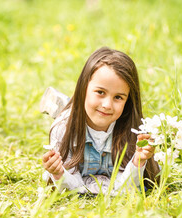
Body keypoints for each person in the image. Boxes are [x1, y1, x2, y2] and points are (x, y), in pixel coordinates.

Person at [39, 47, 160, 195]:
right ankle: (64, 105)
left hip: (94, 113)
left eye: (118, 97)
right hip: (72, 120)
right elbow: (71, 187)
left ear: (127, 101)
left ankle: (70, 102)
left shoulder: (133, 131)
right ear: (83, 87)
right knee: (67, 116)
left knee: (92, 108)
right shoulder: (62, 129)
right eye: (100, 92)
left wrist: (138, 162)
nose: (107, 105)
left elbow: (125, 188)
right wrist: (58, 174)